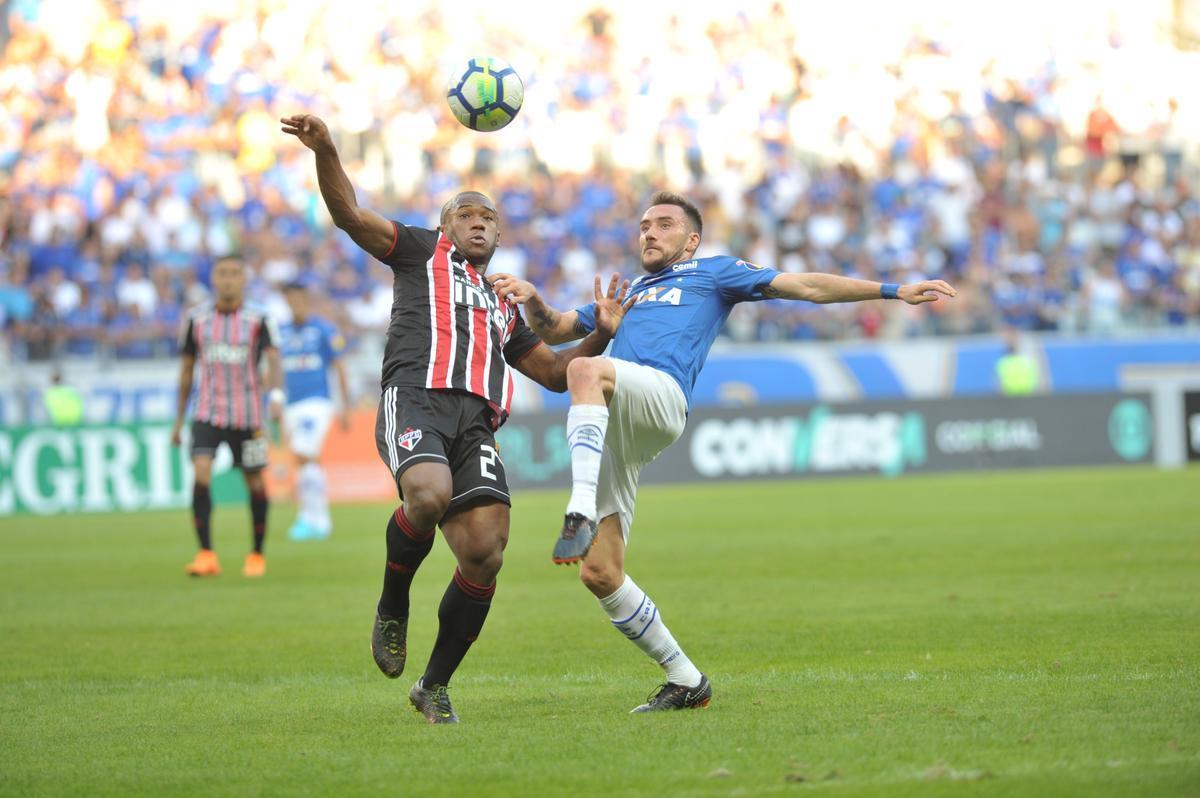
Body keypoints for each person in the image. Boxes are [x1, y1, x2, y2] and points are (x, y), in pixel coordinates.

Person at [490, 191, 957, 713]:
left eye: (663, 224)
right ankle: (686, 679)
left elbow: (804, 286)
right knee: (600, 572)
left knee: (582, 369)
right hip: (614, 421)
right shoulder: (633, 292)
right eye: (644, 225)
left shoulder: (712, 273)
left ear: (691, 240)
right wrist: (531, 297)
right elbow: (553, 328)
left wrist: (893, 290)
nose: (649, 232)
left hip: (660, 397)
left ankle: (577, 508)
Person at [281, 113, 633, 724]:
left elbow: (553, 373)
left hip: (476, 423)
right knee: (427, 493)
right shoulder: (420, 251)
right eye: (467, 213)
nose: (479, 221)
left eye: (488, 216)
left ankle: (433, 685)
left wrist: (600, 336)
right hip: (416, 397)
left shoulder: (503, 300)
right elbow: (349, 216)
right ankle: (394, 603)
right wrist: (328, 151)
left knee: (486, 551)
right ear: (447, 226)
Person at [171, 257, 284, 579]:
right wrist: (179, 422)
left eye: (235, 273)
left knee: (255, 482)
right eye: (223, 273)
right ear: (213, 278)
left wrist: (275, 397)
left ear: (244, 278)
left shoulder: (259, 318)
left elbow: (274, 360)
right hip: (206, 411)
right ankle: (206, 553)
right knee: (202, 473)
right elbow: (186, 370)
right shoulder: (196, 319)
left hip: (248, 416)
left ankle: (256, 554)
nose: (229, 280)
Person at [278, 282, 352, 540]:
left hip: (317, 402)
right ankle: (310, 518)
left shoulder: (322, 329)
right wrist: (273, 398)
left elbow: (339, 366)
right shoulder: (281, 331)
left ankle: (317, 520)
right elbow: (273, 369)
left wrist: (345, 406)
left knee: (303, 452)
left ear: (306, 301)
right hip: (291, 405)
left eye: (299, 300)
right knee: (304, 461)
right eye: (291, 300)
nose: (295, 305)